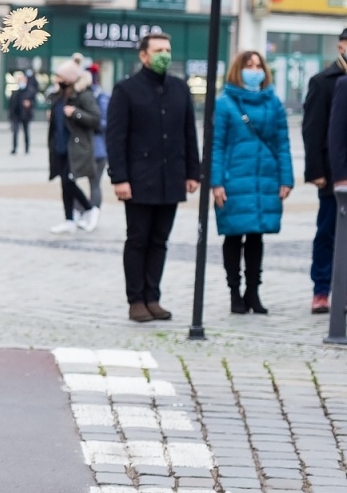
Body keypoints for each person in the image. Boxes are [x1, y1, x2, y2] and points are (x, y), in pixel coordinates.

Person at [106, 33, 201, 323]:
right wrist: (119, 178)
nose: (165, 55)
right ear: (143, 55)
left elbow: (189, 133)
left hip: (171, 177)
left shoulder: (179, 88)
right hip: (138, 179)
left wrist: (192, 172)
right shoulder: (126, 90)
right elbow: (116, 138)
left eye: (168, 50)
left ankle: (153, 298)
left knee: (160, 240)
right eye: (158, 50)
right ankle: (136, 300)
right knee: (138, 240)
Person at [211, 51, 292, 315]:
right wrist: (216, 182)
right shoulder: (225, 103)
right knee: (233, 235)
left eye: (259, 66)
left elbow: (282, 143)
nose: (255, 71)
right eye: (249, 66)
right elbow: (216, 146)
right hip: (233, 179)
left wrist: (286, 178)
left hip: (265, 178)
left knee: (257, 235)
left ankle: (253, 291)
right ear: (238, 70)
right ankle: (234, 292)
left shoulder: (273, 103)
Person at [300, 27, 347, 312]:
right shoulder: (323, 81)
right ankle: (321, 290)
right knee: (327, 232)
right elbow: (312, 128)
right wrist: (315, 171)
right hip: (333, 172)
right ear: (341, 46)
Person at [46, 59, 101, 234]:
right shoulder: (59, 95)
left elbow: (95, 119)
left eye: (60, 77)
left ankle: (89, 208)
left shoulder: (83, 95)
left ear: (69, 78)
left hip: (75, 147)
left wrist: (76, 113)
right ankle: (69, 219)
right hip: (59, 146)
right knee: (64, 184)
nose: (57, 80)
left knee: (68, 182)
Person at [89, 62, 110, 212]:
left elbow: (103, 123)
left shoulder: (101, 97)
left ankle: (93, 211)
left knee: (95, 183)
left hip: (97, 148)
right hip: (89, 147)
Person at [8, 70, 37, 155]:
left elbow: (34, 102)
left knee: (26, 131)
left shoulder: (30, 91)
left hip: (26, 115)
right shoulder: (15, 92)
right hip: (16, 115)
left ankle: (27, 147)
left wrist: (29, 103)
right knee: (15, 132)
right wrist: (11, 116)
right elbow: (12, 105)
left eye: (23, 80)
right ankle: (14, 148)